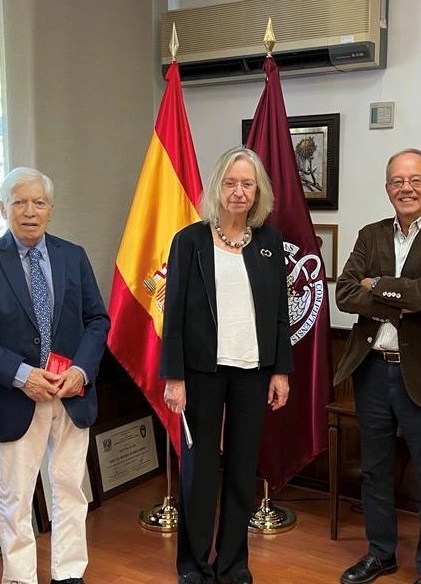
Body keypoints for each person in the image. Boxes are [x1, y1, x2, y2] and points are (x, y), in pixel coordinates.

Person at [0, 167, 109, 584]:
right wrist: (22, 375)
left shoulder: (73, 255)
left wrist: (80, 370)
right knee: (16, 497)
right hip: (16, 396)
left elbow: (97, 320)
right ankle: (19, 577)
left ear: (51, 209)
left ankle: (69, 572)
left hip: (71, 393)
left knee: (70, 487)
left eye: (39, 202)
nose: (29, 211)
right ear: (2, 208)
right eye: (19, 202)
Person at [334, 148, 421, 584]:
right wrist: (407, 295)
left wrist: (376, 285)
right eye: (397, 181)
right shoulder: (370, 235)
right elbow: (344, 293)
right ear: (387, 187)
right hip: (372, 370)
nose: (406, 188)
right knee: (375, 472)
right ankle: (381, 554)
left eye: (415, 180)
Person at [161, 146, 293, 584]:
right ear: (217, 186)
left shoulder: (269, 242)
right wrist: (174, 377)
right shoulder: (189, 241)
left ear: (258, 192)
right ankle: (194, 565)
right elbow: (173, 315)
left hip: (253, 371)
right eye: (231, 183)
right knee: (199, 470)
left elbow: (280, 313)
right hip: (202, 371)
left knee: (241, 468)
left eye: (247, 184)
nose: (238, 192)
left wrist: (280, 370)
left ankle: (233, 563)